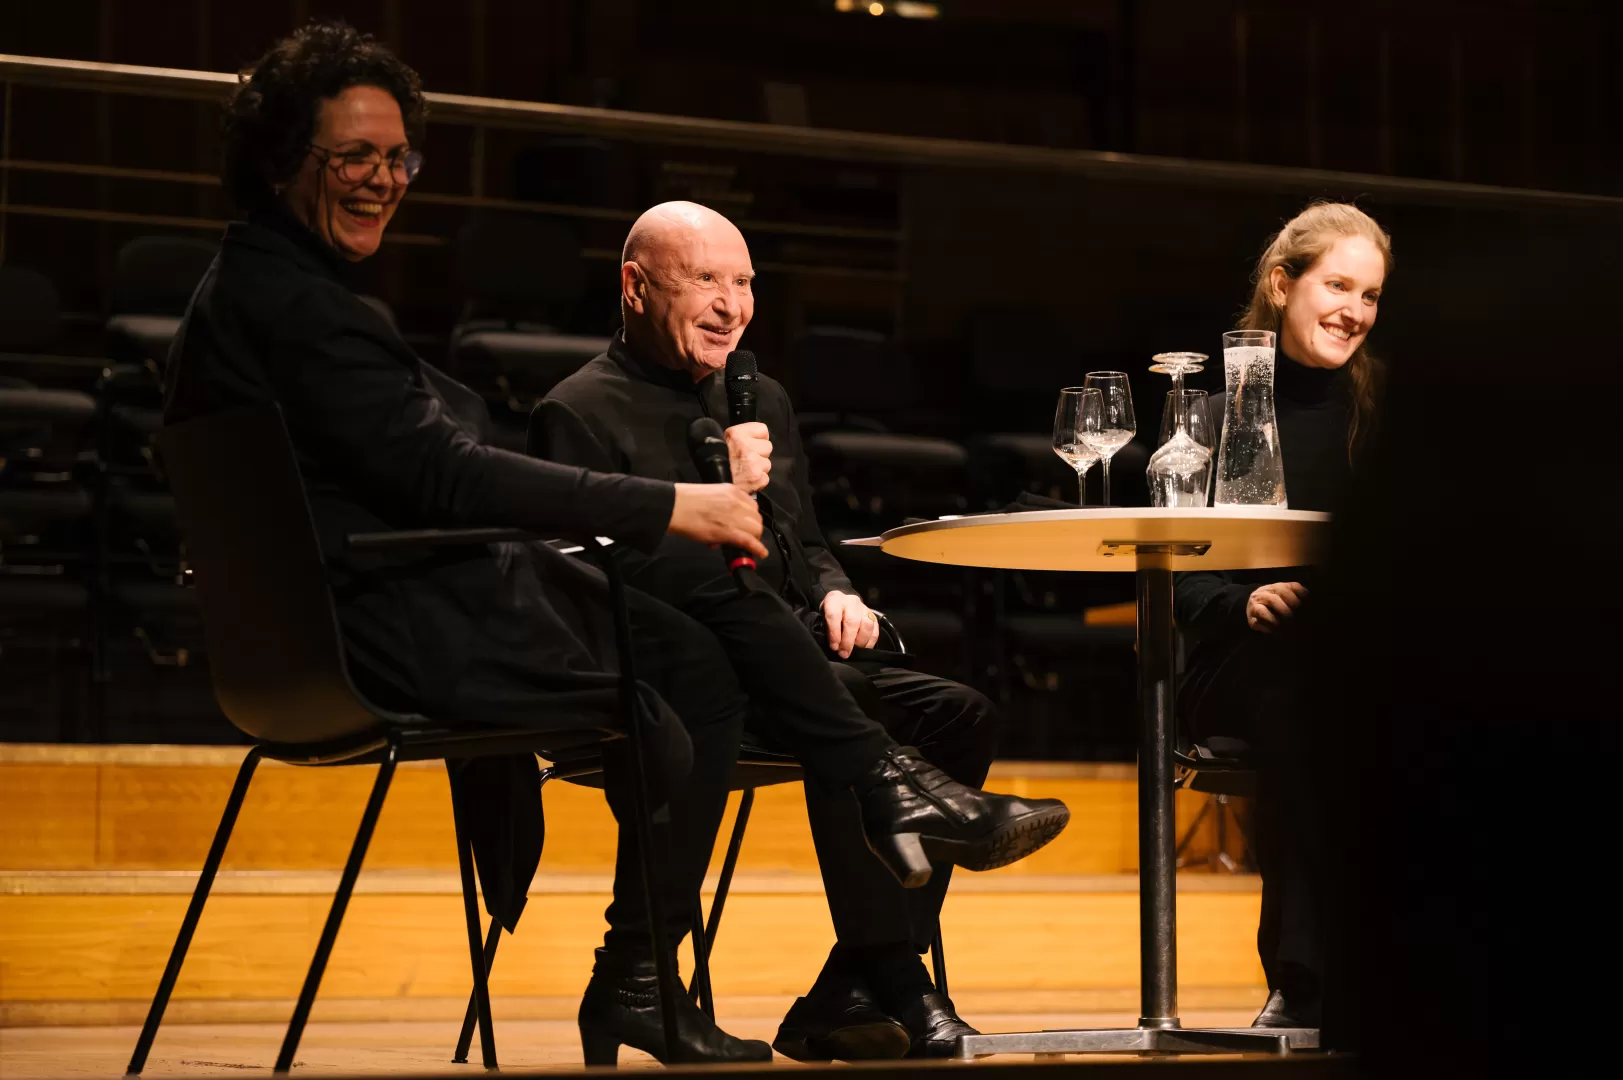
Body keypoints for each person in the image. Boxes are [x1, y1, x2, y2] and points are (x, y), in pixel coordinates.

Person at [164, 24, 1065, 1065]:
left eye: (396, 156)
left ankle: (682, 967)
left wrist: (803, 573)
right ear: (280, 154)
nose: (381, 179)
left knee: (703, 652)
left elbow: (792, 540)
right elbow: (449, 479)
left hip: (335, 629)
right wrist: (673, 505)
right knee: (693, 642)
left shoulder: (253, 294)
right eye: (351, 157)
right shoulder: (304, 313)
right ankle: (836, 825)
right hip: (384, 630)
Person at [537, 201, 1062, 1060]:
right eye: (704, 278)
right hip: (678, 676)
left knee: (956, 711)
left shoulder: (759, 397)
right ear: (634, 287)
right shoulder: (578, 409)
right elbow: (602, 579)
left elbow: (805, 542)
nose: (730, 304)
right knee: (850, 694)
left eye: (743, 283)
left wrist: (833, 592)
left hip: (787, 659)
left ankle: (849, 979)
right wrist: (729, 495)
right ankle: (896, 973)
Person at [1174, 201, 1391, 1029]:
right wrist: (1244, 599)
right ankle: (1304, 981)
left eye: (1369, 296)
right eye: (1337, 285)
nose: (1354, 312)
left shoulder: (1381, 412)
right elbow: (1173, 569)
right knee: (1311, 692)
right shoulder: (1209, 407)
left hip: (1355, 662)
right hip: (1237, 658)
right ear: (1280, 284)